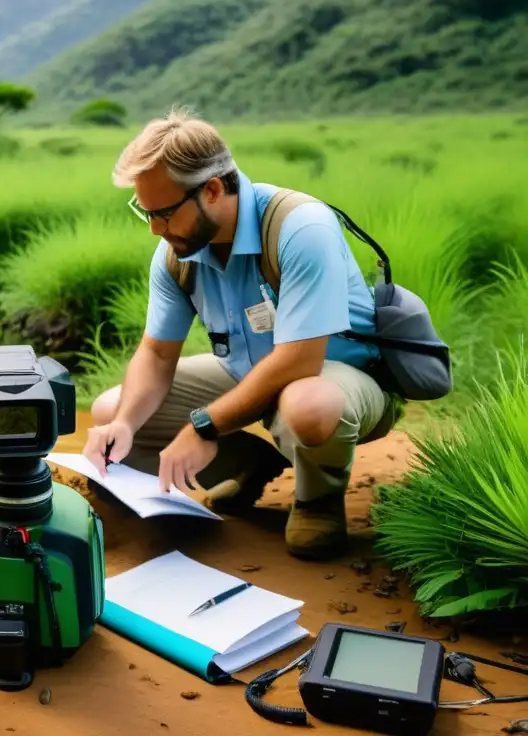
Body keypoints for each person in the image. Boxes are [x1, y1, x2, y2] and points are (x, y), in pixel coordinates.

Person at [83, 108, 403, 561]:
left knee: (307, 402)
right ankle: (247, 464)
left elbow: (298, 361)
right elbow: (155, 355)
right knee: (111, 408)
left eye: (165, 213)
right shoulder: (176, 251)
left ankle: (317, 499)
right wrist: (124, 424)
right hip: (249, 370)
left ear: (212, 190)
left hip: (339, 383)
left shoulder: (301, 228)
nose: (155, 228)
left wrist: (206, 425)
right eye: (145, 213)